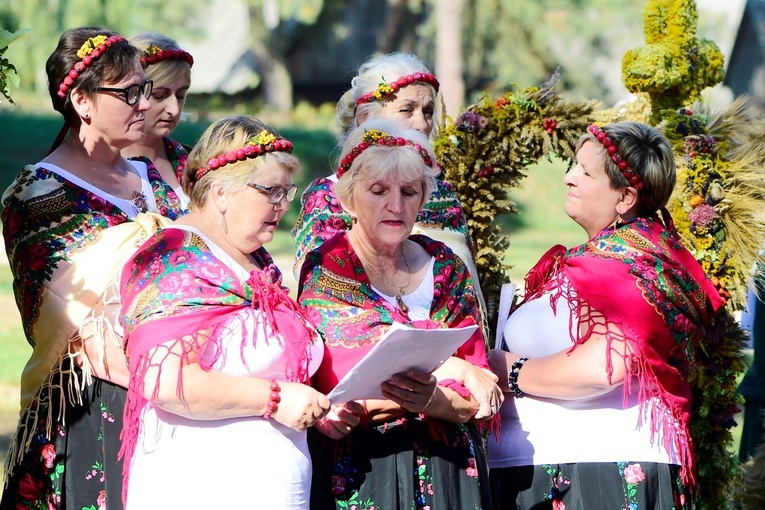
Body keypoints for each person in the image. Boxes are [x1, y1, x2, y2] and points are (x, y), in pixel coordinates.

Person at [486, 122, 724, 509]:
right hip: (578, 462)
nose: (568, 178)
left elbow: (606, 366)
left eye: (585, 171)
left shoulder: (622, 263)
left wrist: (508, 369)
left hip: (592, 472)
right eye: (573, 166)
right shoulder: (637, 256)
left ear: (625, 197)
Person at [0, 26, 185, 510]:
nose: (144, 104)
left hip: (176, 391)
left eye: (146, 89)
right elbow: (70, 319)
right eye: (129, 92)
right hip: (88, 403)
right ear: (82, 101)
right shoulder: (36, 196)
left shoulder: (155, 181)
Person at [118, 115, 330, 509]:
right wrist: (275, 398)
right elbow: (166, 382)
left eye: (287, 192)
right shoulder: (176, 259)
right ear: (220, 194)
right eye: (270, 191)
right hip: (201, 489)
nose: (282, 206)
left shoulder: (253, 261)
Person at [298, 119, 501, 509]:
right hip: (365, 468)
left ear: (424, 198)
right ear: (347, 199)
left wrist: (432, 400)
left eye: (409, 192)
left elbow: (479, 395)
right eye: (378, 191)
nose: (396, 204)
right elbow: (349, 371)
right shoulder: (328, 268)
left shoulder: (447, 267)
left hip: (451, 469)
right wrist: (452, 369)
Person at [291, 52, 486, 316]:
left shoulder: (444, 193)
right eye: (407, 109)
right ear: (364, 118)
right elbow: (321, 286)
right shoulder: (328, 194)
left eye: (428, 112)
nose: (421, 123)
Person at [122, 32, 194, 208]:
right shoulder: (103, 167)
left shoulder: (192, 164)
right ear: (132, 93)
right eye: (160, 96)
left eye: (181, 96)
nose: (173, 109)